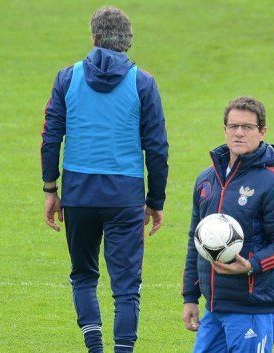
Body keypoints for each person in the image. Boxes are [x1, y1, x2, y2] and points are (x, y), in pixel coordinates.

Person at [41, 6, 169, 353]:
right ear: (127, 42)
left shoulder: (67, 78)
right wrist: (155, 201)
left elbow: (52, 136)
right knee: (127, 287)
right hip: (124, 197)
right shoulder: (143, 82)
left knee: (83, 275)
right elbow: (156, 148)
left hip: (79, 194)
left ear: (94, 38)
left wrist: (50, 188)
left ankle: (94, 347)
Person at [182, 96, 274, 353]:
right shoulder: (207, 180)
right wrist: (189, 297)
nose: (239, 132)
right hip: (214, 308)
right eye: (233, 126)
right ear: (224, 129)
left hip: (254, 309)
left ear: (262, 132)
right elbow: (196, 240)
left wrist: (251, 265)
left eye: (247, 127)